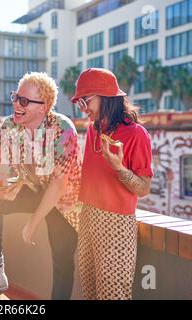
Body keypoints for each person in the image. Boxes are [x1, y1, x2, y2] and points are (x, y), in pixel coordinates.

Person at [0, 72, 82, 299]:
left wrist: (32, 224)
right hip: (34, 190)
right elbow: (0, 170)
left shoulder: (64, 128)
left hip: (65, 202)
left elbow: (58, 184)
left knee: (62, 260)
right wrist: (0, 187)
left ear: (43, 107)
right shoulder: (10, 126)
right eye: (15, 97)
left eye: (23, 101)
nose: (16, 103)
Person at [71, 68, 153, 300]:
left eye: (85, 101)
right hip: (87, 216)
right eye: (79, 103)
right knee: (89, 292)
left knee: (113, 295)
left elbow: (144, 188)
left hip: (116, 223)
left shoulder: (136, 134)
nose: (83, 108)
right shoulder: (93, 129)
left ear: (106, 97)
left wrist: (119, 168)